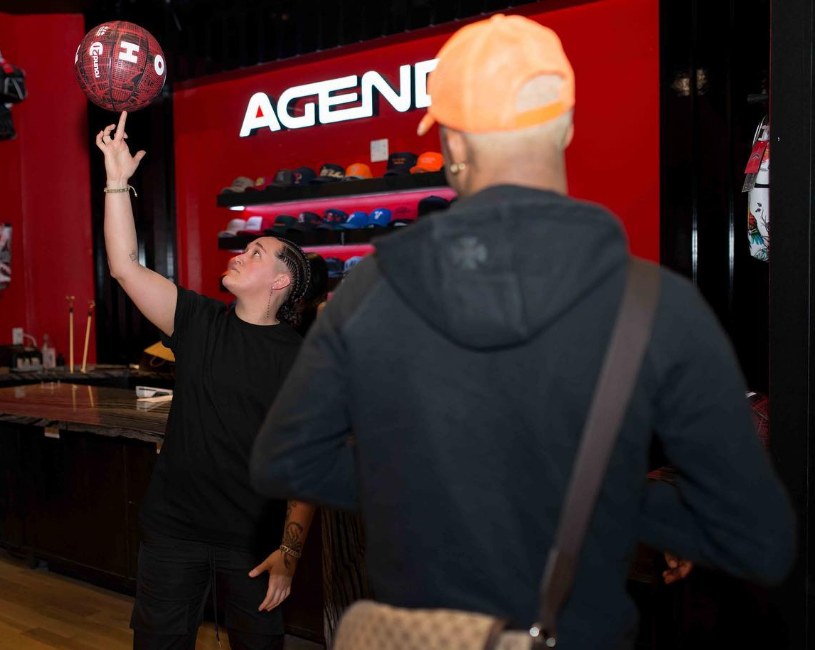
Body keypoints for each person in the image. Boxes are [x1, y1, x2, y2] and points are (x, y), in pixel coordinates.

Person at [250, 14, 795, 650]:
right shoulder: (657, 303)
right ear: (564, 126)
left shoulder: (375, 290)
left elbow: (283, 459)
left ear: (452, 143)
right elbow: (760, 539)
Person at [96, 111, 316, 650]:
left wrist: (288, 555)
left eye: (257, 253)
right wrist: (117, 179)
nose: (242, 253)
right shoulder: (196, 321)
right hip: (173, 532)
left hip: (254, 543)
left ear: (282, 281)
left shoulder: (304, 360)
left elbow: (305, 467)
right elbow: (125, 266)